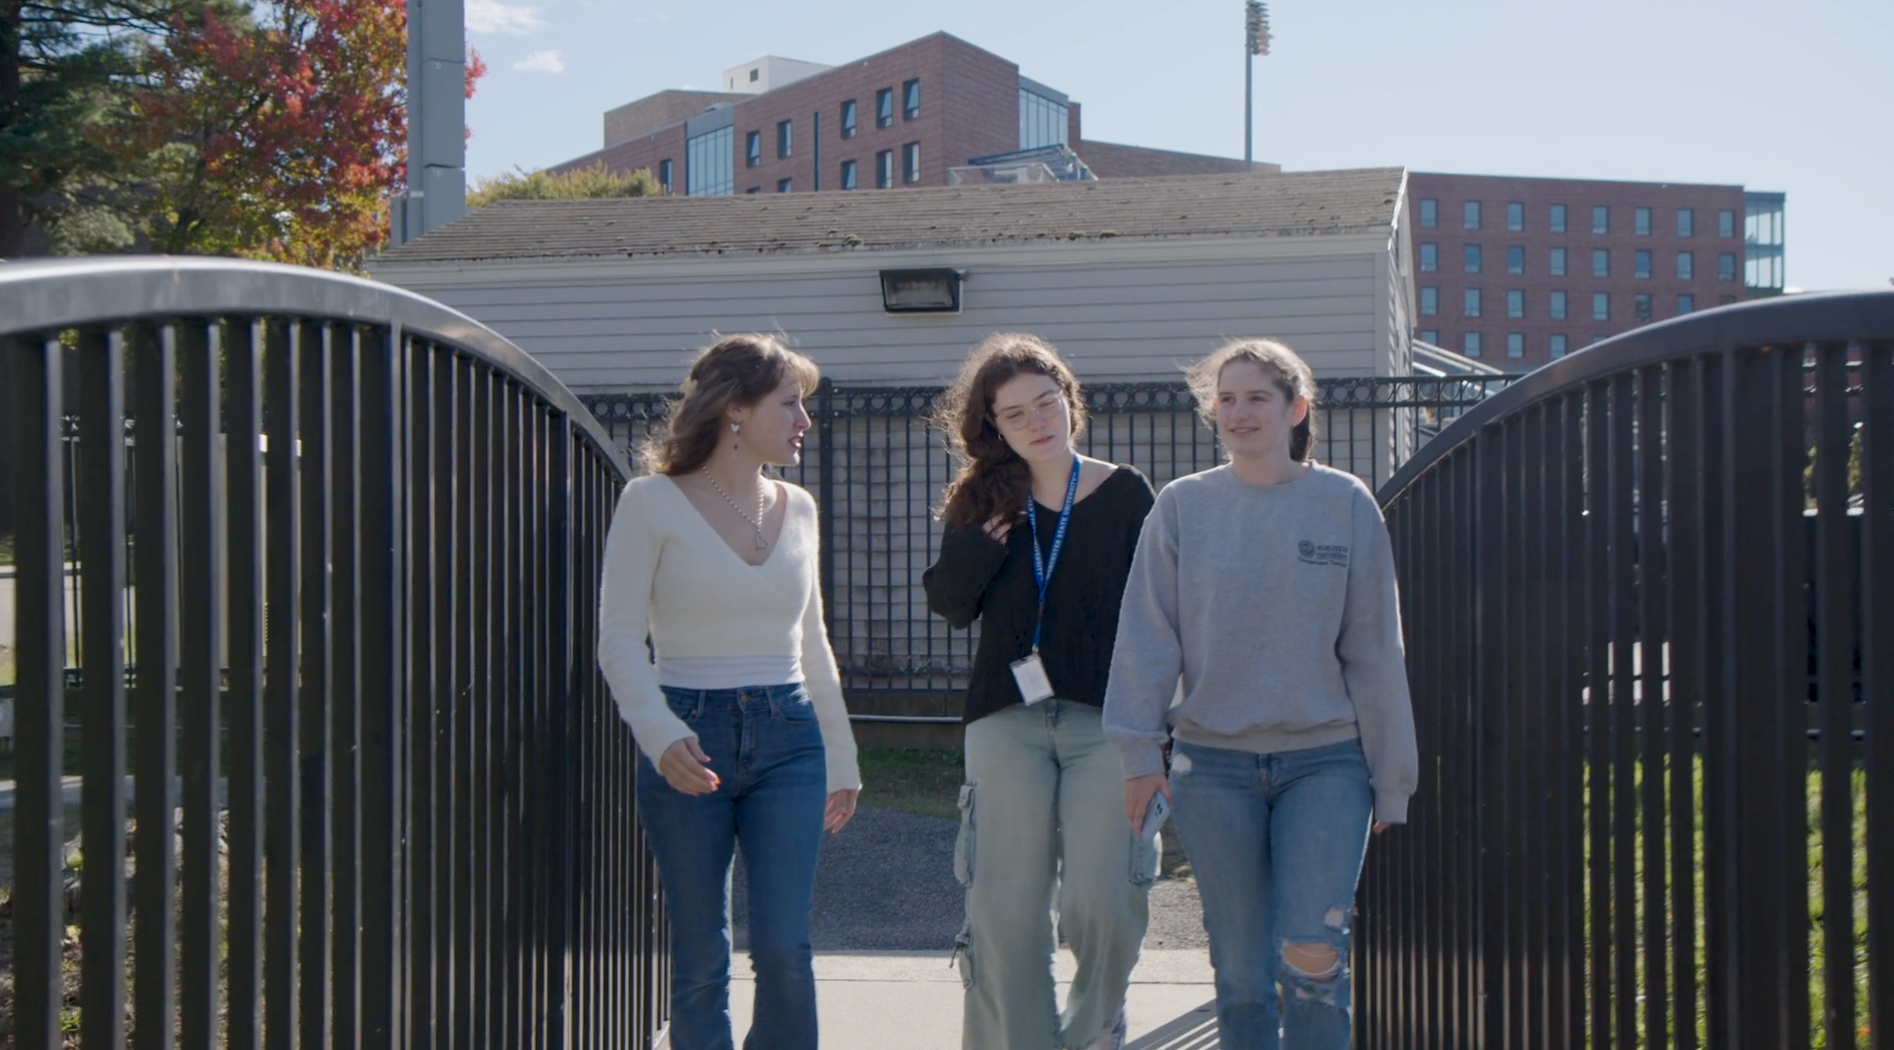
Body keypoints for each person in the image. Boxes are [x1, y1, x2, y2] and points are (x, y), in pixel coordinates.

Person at [1101, 338, 1417, 1050]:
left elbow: (1375, 649)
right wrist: (1138, 754)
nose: (1240, 413)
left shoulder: (1344, 504)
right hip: (1212, 770)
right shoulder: (1183, 508)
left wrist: (1392, 779)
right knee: (1241, 974)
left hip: (1326, 764)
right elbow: (1148, 639)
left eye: (1258, 398)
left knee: (1314, 958)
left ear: (1295, 408)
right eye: (1227, 398)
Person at [598, 334, 861, 1050]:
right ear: (736, 411)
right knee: (699, 957)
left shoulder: (799, 508)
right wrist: (659, 734)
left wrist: (840, 754)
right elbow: (619, 639)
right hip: (689, 732)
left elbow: (813, 645)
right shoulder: (650, 503)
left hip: (790, 739)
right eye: (791, 402)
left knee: (784, 949)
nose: (805, 419)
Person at [922, 333, 1160, 1050]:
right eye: (1014, 413)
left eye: (1046, 403)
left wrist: (1158, 728)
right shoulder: (985, 501)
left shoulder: (1125, 493)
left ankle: (1095, 1028)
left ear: (1069, 401)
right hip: (1007, 721)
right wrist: (977, 548)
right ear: (993, 427)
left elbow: (1157, 616)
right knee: (1007, 910)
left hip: (1105, 724)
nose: (1036, 422)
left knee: (1105, 898)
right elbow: (952, 605)